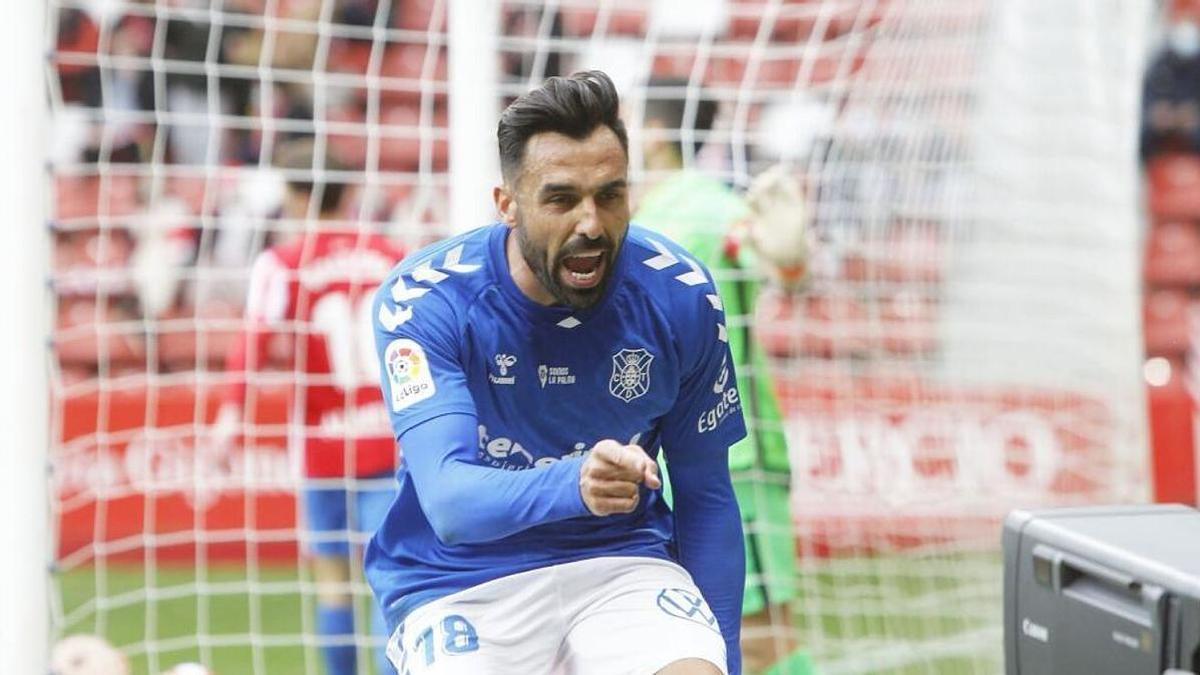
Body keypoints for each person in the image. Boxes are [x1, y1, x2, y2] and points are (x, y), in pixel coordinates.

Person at [367, 70, 747, 674]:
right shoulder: (426, 300)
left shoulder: (680, 294)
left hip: (621, 564)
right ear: (507, 206)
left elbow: (706, 496)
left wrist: (725, 658)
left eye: (610, 195)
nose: (591, 224)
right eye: (561, 199)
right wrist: (577, 485)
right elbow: (450, 504)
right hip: (460, 579)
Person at [635, 81, 813, 675]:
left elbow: (779, 261)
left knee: (758, 632)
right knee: (716, 632)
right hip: (690, 455)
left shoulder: (703, 205)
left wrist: (789, 256)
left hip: (729, 461)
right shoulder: (638, 215)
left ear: (656, 132)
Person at [214, 140, 403, 675]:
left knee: (333, 586)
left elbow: (253, 340)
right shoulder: (389, 257)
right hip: (388, 444)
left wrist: (231, 417)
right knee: (388, 584)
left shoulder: (283, 263)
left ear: (296, 197)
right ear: (348, 193)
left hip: (324, 450)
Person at [1142, 4, 1200, 161]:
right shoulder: (1160, 64)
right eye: (1181, 19)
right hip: (1160, 155)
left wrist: (1192, 119)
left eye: (1191, 20)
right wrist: (1158, 117)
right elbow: (1148, 110)